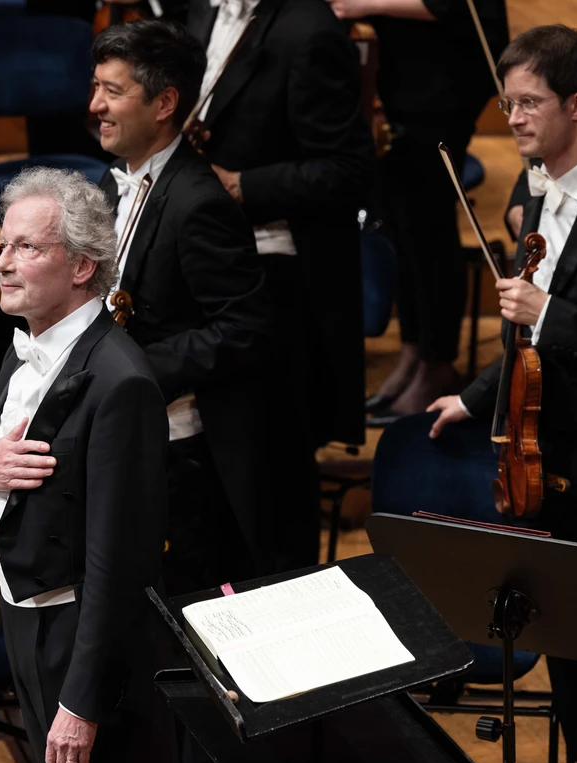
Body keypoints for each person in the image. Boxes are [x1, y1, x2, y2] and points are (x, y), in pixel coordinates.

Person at [0, 166, 179, 763]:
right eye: (1, 246)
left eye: (28, 247)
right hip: (22, 614)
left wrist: (81, 700)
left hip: (79, 639)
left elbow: (120, 565)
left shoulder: (121, 382)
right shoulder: (24, 345)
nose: (4, 263)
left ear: (81, 266)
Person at [422, 23, 577, 763]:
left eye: (529, 103)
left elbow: (541, 318)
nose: (511, 119)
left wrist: (547, 310)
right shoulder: (533, 190)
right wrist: (476, 392)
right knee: (574, 684)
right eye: (506, 102)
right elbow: (528, 343)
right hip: (547, 467)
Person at [89, 21, 283, 590]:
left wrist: (136, 369)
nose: (95, 104)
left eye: (113, 91)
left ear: (165, 102)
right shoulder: (110, 181)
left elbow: (245, 327)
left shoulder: (199, 203)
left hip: (181, 453)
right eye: (96, 86)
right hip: (124, 431)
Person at [183, 0, 375, 451]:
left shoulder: (311, 31)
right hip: (209, 242)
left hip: (279, 262)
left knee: (269, 447)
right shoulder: (202, 11)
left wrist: (240, 185)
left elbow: (350, 170)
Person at [328, 0, 509, 420]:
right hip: (399, 78)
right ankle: (414, 355)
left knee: (429, 232)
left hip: (440, 86)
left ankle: (436, 366)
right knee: (404, 233)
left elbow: (459, 6)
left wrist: (363, 4)